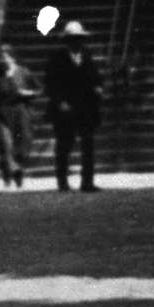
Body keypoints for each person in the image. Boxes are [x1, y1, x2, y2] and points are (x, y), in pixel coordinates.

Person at [36, 12, 106, 191]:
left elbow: (96, 77)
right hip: (65, 107)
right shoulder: (57, 58)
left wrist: (98, 87)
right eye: (73, 39)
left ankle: (87, 182)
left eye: (79, 39)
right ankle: (62, 181)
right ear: (67, 40)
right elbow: (51, 83)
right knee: (64, 144)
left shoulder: (87, 56)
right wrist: (60, 101)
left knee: (88, 144)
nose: (77, 42)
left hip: (86, 106)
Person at [0, 40, 32, 187]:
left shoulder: (22, 72)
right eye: (1, 57)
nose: (3, 60)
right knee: (4, 144)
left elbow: (36, 90)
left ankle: (17, 172)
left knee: (20, 145)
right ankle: (8, 175)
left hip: (19, 115)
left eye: (6, 56)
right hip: (0, 115)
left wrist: (27, 94)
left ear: (12, 57)